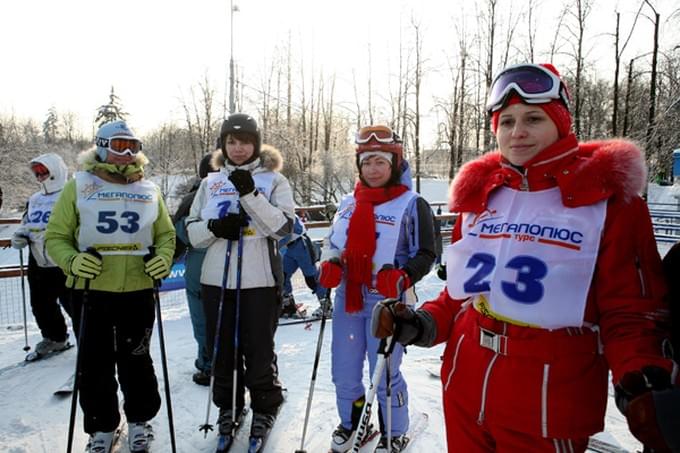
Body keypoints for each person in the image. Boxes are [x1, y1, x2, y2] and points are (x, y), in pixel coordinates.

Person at [371, 63, 678, 452]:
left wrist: (640, 376)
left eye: (533, 118)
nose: (517, 132)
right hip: (465, 387)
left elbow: (631, 310)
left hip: (548, 401)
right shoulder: (481, 196)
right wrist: (424, 323)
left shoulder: (610, 200)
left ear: (561, 123)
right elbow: (464, 293)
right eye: (507, 121)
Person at [45, 120, 175, 453]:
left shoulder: (149, 188)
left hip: (137, 289)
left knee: (137, 359)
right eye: (119, 145)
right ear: (102, 146)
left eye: (133, 145)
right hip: (90, 289)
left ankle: (140, 420)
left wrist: (163, 258)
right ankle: (102, 427)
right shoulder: (79, 185)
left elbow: (165, 235)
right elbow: (56, 237)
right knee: (94, 363)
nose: (127, 153)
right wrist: (72, 261)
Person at [318, 125, 436, 452]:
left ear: (394, 164)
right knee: (344, 369)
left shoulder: (413, 204)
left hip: (387, 301)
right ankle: (352, 423)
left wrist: (404, 275)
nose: (373, 169)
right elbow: (332, 243)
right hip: (349, 297)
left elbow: (428, 251)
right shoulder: (348, 202)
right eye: (367, 161)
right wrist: (329, 264)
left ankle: (394, 429)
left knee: (384, 371)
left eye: (380, 162)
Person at [186, 113, 293, 442]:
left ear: (256, 144)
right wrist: (215, 228)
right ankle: (228, 407)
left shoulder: (274, 180)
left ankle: (265, 405)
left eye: (245, 141)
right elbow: (191, 232)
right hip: (216, 280)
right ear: (223, 144)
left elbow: (283, 228)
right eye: (231, 141)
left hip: (259, 281)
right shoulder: (209, 182)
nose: (238, 148)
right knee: (223, 351)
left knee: (259, 349)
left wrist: (251, 196)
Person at [11, 153, 72, 356]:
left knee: (75, 303)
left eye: (43, 172)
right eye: (36, 173)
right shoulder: (34, 199)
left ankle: (94, 339)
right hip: (38, 258)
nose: (39, 177)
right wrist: (22, 233)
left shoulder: (71, 195)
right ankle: (55, 338)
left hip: (64, 257)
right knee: (41, 303)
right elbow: (28, 222)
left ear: (55, 171)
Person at [172, 152, 215, 386]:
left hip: (199, 268)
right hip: (231, 267)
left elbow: (179, 236)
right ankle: (234, 363)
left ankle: (208, 365)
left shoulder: (190, 199)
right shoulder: (237, 192)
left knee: (203, 319)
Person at [279, 214, 330, 318]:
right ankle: (288, 305)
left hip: (301, 245)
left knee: (311, 278)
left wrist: (275, 242)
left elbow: (294, 230)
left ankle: (326, 304)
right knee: (283, 275)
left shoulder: (287, 211)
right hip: (289, 248)